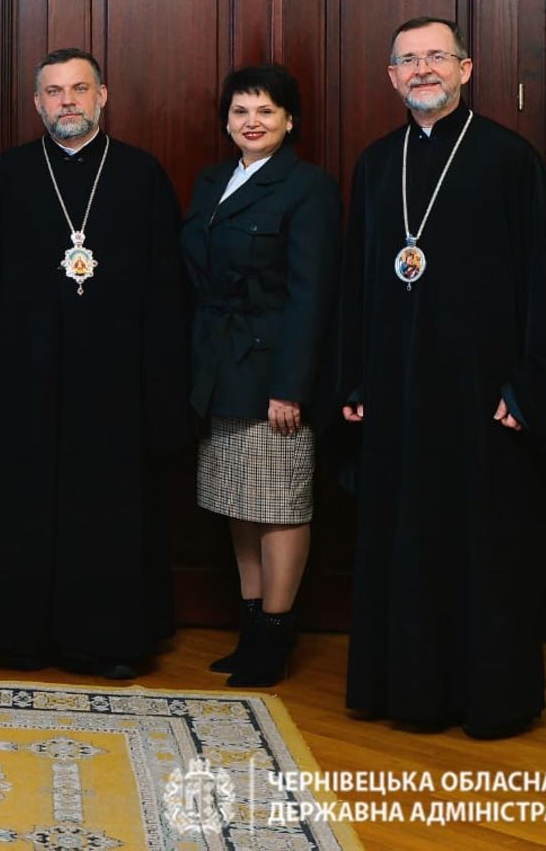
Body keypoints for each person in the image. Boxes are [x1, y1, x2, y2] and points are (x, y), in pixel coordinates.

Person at [338, 16, 546, 738]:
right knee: (406, 545)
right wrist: (355, 381)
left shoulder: (510, 160)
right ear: (391, 77)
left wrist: (526, 388)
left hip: (484, 403)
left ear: (466, 69)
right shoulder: (374, 164)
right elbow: (357, 285)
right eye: (408, 60)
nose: (423, 70)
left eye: (436, 57)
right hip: (397, 403)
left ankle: (492, 700)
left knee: (485, 551)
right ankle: (407, 692)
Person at [0, 48, 186, 679]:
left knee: (109, 512)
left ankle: (109, 640)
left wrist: (161, 391)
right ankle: (22, 638)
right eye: (54, 92)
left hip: (116, 385)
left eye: (79, 89)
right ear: (37, 103)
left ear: (103, 96)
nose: (67, 102)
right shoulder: (8, 175)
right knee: (24, 508)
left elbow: (167, 290)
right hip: (26, 381)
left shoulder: (142, 176)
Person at [181, 64, 340, 687]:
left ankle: (275, 635)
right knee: (235, 500)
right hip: (218, 365)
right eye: (242, 111)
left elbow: (311, 296)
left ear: (289, 120)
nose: (252, 122)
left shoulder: (309, 188)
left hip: (272, 369)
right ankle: (251, 627)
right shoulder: (213, 180)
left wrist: (290, 386)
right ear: (226, 120)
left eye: (266, 112)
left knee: (278, 502)